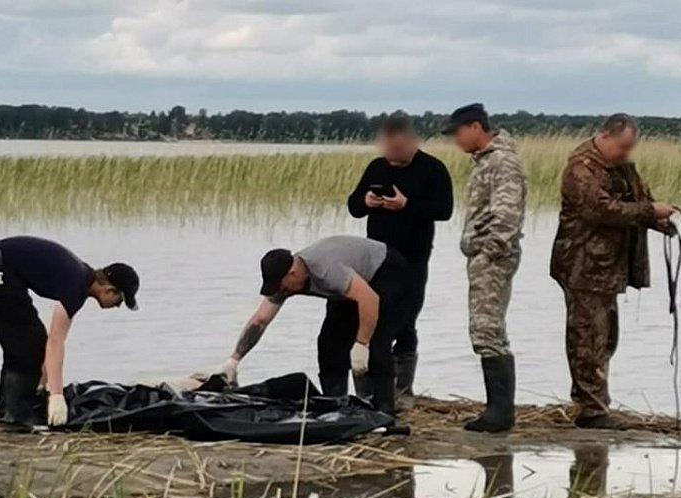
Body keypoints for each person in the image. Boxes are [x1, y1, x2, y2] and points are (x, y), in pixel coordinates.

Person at [550, 113, 676, 429]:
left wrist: (656, 220)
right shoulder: (581, 168)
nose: (626, 153)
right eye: (622, 146)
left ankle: (596, 404)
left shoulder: (620, 166)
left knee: (605, 339)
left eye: (630, 147)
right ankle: (591, 410)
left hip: (607, 268)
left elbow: (636, 201)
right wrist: (648, 211)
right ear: (604, 136)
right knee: (587, 338)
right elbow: (599, 209)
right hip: (582, 266)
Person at [217, 236, 409, 416]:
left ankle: (384, 409)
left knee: (377, 341)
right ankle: (336, 405)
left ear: (292, 273)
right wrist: (234, 360)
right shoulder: (285, 283)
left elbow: (369, 299)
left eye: (283, 287)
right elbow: (260, 320)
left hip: (385, 269)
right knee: (329, 343)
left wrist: (361, 343)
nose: (282, 292)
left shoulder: (327, 271)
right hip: (348, 285)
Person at [0, 236, 140, 429]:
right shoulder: (76, 285)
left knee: (29, 342)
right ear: (110, 290)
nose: (118, 306)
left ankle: (12, 414)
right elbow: (55, 342)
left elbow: (49, 343)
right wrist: (57, 397)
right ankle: (14, 419)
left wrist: (43, 386)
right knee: (25, 347)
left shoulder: (80, 279)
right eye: (120, 300)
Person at [347, 115, 453, 407]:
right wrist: (366, 202)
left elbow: (444, 210)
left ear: (410, 142)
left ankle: (403, 391)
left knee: (405, 321)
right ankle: (367, 392)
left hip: (413, 258)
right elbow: (353, 206)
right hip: (375, 259)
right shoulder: (377, 167)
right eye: (387, 150)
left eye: (397, 151)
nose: (391, 157)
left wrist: (407, 205)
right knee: (368, 320)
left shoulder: (433, 168)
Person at [443, 103, 526, 433]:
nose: (456, 140)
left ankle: (500, 413)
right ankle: (497, 408)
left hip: (493, 258)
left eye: (458, 132)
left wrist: (489, 252)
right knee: (484, 329)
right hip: (483, 256)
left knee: (488, 328)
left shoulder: (501, 161)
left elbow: (506, 214)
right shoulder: (486, 161)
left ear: (475, 127)